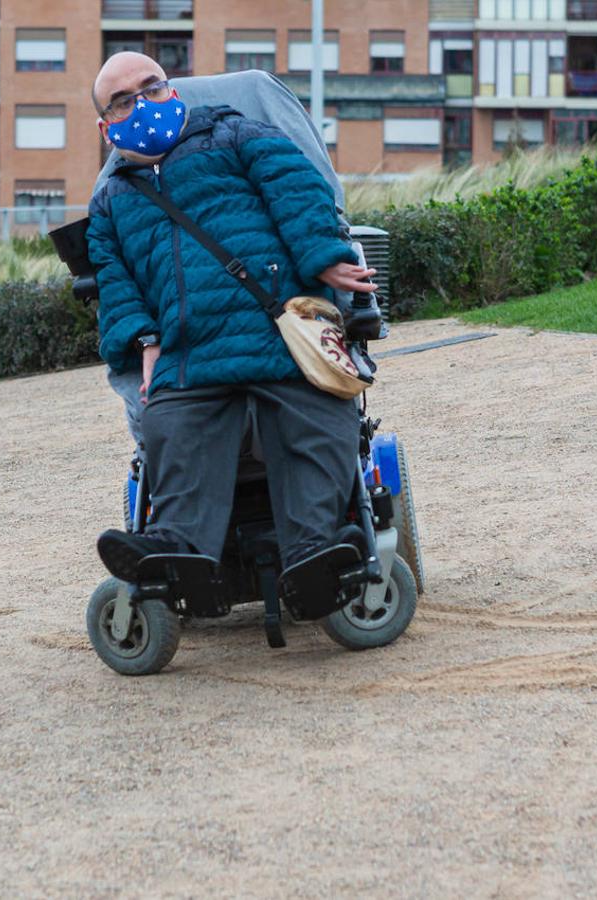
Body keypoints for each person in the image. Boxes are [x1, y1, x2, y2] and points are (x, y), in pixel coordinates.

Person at [86, 51, 377, 581]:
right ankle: (176, 548)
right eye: (125, 101)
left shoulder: (234, 134)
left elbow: (296, 186)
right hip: (189, 352)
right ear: (106, 125)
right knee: (170, 426)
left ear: (172, 91)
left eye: (152, 89)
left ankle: (315, 551)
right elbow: (114, 280)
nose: (144, 105)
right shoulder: (111, 199)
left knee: (317, 416)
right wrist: (144, 340)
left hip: (282, 338)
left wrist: (324, 255)